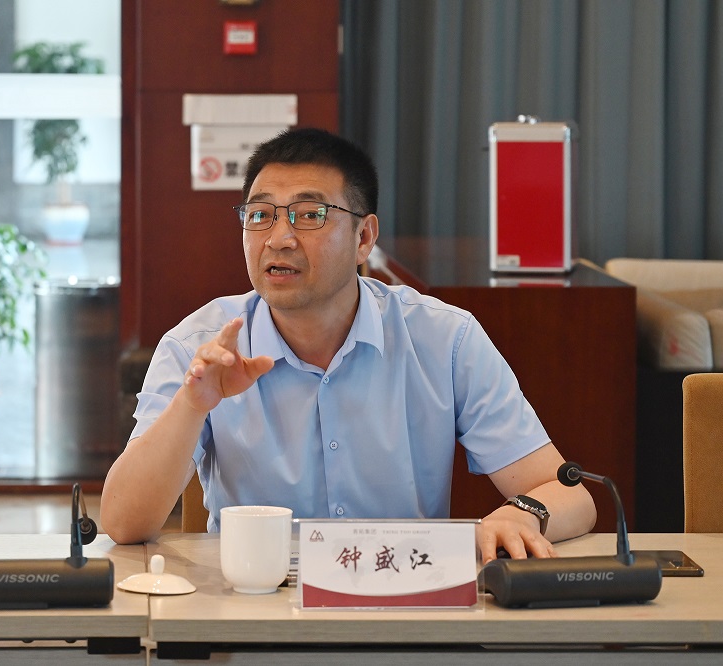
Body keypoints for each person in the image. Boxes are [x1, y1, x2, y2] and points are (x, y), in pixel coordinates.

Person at [101, 128, 596, 561]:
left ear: (364, 237)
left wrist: (522, 514)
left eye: (309, 215)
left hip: (402, 602)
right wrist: (192, 404)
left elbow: (572, 495)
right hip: (257, 607)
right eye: (260, 215)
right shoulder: (198, 347)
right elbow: (123, 523)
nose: (278, 238)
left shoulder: (444, 338)